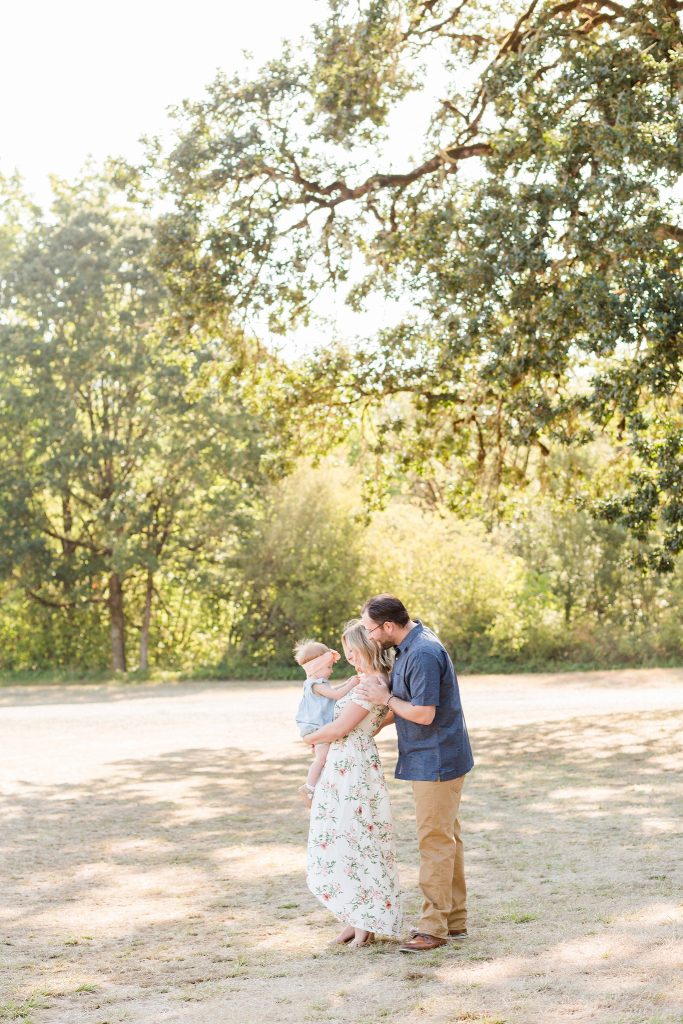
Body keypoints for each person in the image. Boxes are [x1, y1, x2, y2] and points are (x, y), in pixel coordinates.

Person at [356, 594, 474, 953]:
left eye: (369, 628)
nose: (369, 635)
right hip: (431, 756)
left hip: (436, 759)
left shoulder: (421, 653)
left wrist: (384, 701)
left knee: (434, 842)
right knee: (445, 838)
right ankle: (453, 921)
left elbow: (422, 714)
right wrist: (372, 723)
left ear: (388, 626)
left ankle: (432, 928)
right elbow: (406, 701)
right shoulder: (411, 647)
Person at [303, 620, 403, 948]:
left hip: (354, 766)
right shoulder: (365, 681)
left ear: (368, 647)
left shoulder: (371, 683)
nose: (349, 658)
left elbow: (338, 729)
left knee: (357, 838)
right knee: (342, 839)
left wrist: (309, 738)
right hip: (342, 764)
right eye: (345, 653)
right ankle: (352, 917)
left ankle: (366, 920)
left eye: (353, 651)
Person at [294, 639, 357, 804]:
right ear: (316, 668)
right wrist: (351, 685)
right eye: (328, 667)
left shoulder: (318, 684)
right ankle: (309, 787)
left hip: (317, 727)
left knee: (324, 757)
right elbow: (336, 695)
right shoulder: (316, 685)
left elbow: (333, 690)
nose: (331, 671)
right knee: (322, 759)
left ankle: (317, 785)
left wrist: (348, 683)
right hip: (316, 728)